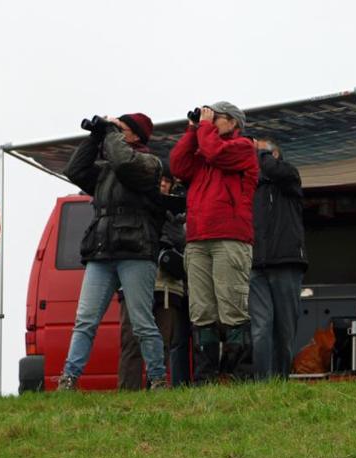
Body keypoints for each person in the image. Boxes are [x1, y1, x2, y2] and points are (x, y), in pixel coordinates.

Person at [55, 113, 166, 391]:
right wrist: (95, 136)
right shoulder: (106, 172)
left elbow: (124, 162)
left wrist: (111, 133)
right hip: (101, 252)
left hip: (136, 251)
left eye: (122, 130)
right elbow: (75, 170)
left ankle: (157, 378)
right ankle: (69, 378)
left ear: (137, 136)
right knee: (85, 320)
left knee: (142, 323)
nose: (113, 135)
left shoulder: (148, 164)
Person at [169, 102, 259, 383]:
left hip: (230, 238)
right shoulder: (203, 151)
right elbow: (177, 164)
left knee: (232, 308)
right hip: (197, 239)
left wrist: (203, 129)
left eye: (216, 118)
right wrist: (192, 130)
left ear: (233, 123)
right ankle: (205, 378)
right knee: (201, 311)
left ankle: (237, 376)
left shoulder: (242, 148)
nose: (209, 121)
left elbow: (215, 152)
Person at [118, 170, 191, 388]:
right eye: (159, 181)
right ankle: (128, 393)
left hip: (167, 286)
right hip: (133, 281)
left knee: (163, 343)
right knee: (131, 340)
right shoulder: (133, 204)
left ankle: (156, 391)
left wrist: (169, 222)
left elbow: (183, 241)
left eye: (166, 181)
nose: (162, 185)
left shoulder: (178, 214)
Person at [249, 138, 307, 380]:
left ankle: (280, 380)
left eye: (264, 152)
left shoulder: (289, 177)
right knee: (261, 328)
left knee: (284, 330)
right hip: (256, 264)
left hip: (286, 262)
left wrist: (261, 151)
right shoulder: (250, 187)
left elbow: (274, 169)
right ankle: (262, 383)